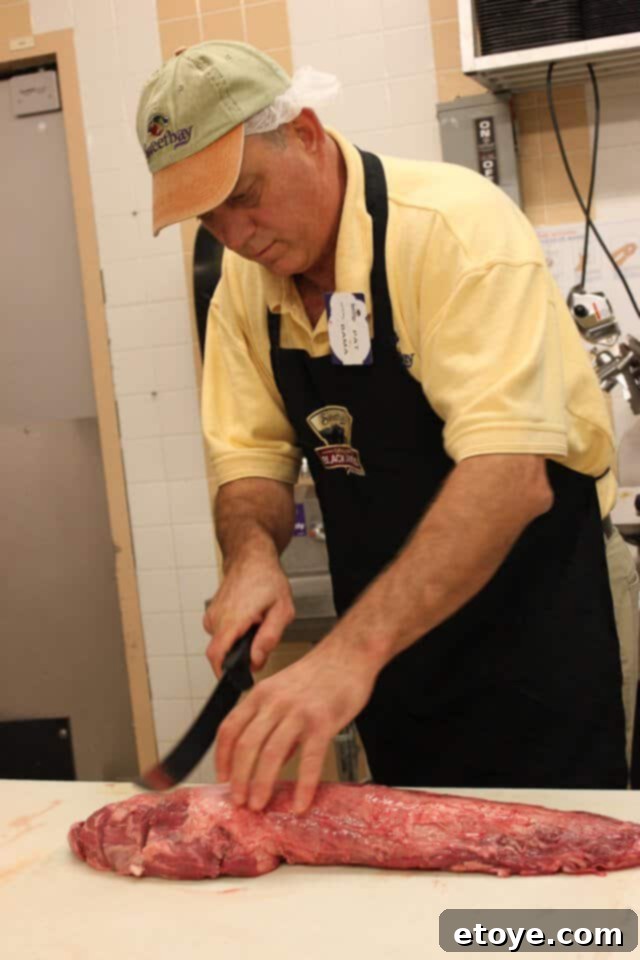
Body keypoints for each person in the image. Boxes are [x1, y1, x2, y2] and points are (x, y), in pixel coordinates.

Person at [136, 40, 639, 813]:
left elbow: (510, 480)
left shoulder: (452, 230)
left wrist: (346, 654)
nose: (236, 234)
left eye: (246, 193)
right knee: (415, 872)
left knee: (556, 890)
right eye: (209, 216)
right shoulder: (244, 285)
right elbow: (248, 454)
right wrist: (250, 557)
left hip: (538, 615)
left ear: (304, 133)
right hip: (396, 639)